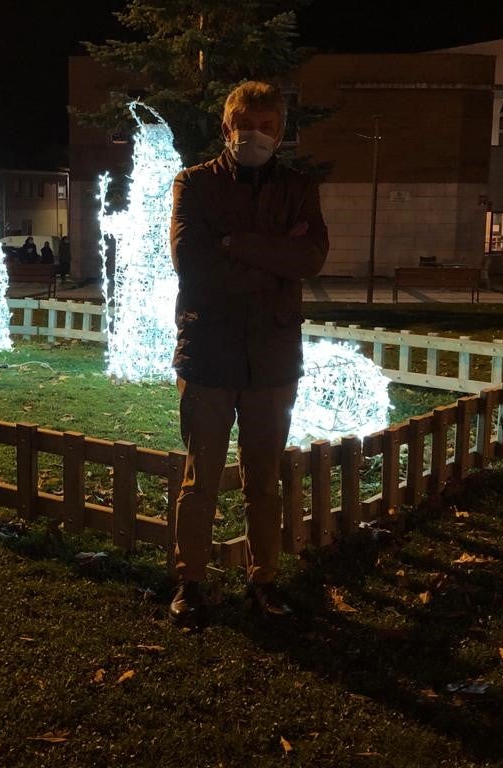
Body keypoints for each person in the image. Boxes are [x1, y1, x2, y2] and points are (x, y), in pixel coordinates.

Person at [168, 80, 328, 626]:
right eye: (246, 124)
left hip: (273, 359)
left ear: (281, 132)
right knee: (201, 479)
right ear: (227, 128)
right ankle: (190, 582)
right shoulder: (193, 184)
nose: (256, 135)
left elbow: (310, 257)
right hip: (208, 353)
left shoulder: (300, 187)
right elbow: (192, 265)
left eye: (268, 125)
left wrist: (236, 244)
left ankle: (264, 582)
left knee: (264, 480)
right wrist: (275, 258)